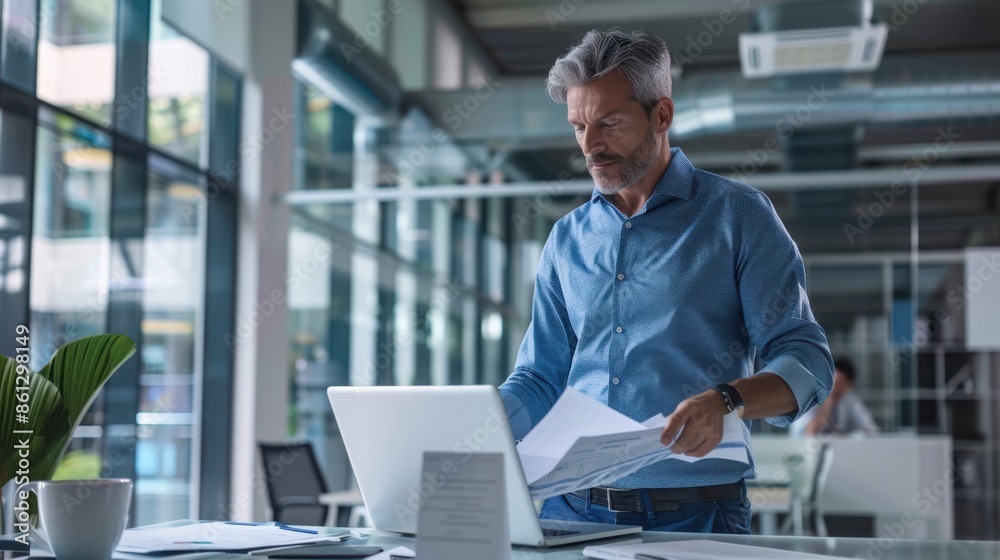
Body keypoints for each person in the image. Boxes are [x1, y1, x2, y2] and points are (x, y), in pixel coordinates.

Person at [498, 28, 834, 534]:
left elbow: (808, 363)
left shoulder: (737, 216)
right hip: (567, 511)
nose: (590, 146)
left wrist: (727, 400)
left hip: (696, 516)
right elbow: (542, 376)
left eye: (609, 123)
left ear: (662, 116)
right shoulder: (566, 239)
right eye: (577, 126)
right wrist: (479, 426)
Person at [791, 358, 879, 436]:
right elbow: (810, 432)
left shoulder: (850, 400)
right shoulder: (810, 399)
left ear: (849, 385)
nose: (833, 388)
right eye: (831, 382)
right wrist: (827, 404)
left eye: (838, 384)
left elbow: (871, 429)